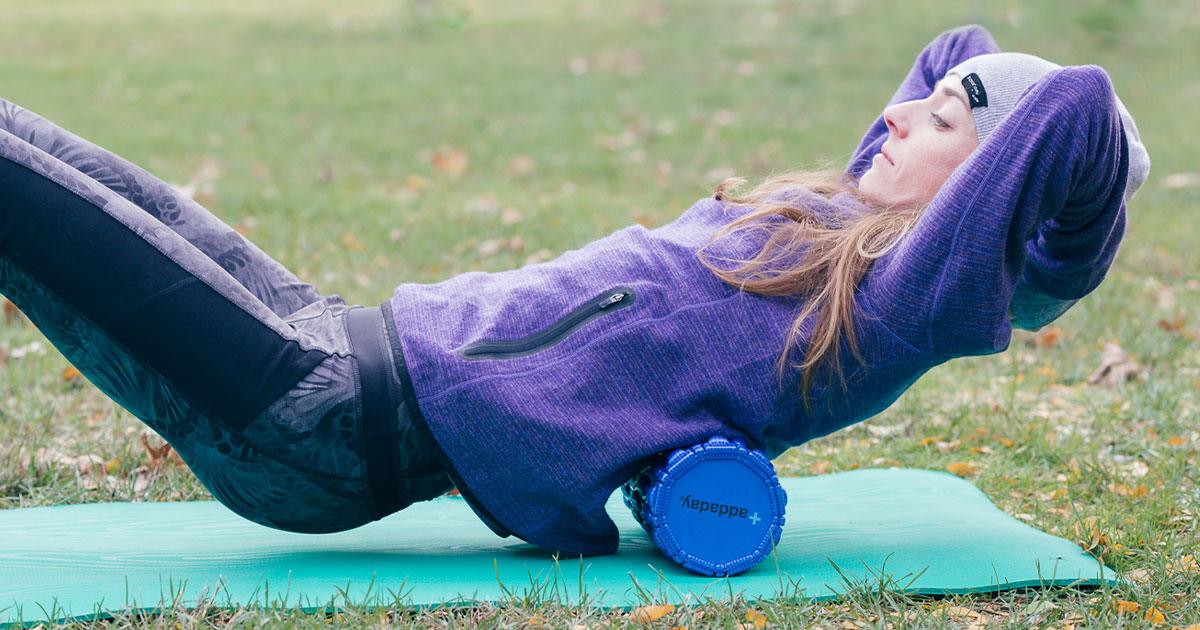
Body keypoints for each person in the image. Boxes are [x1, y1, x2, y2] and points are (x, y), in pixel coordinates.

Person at [0, 23, 1149, 557]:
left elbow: (1073, 108)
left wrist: (1027, 175)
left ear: (999, 191)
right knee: (56, 161)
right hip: (331, 339)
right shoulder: (838, 223)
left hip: (332, 428)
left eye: (941, 122)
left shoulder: (899, 305)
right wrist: (967, 87)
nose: (897, 114)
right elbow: (960, 46)